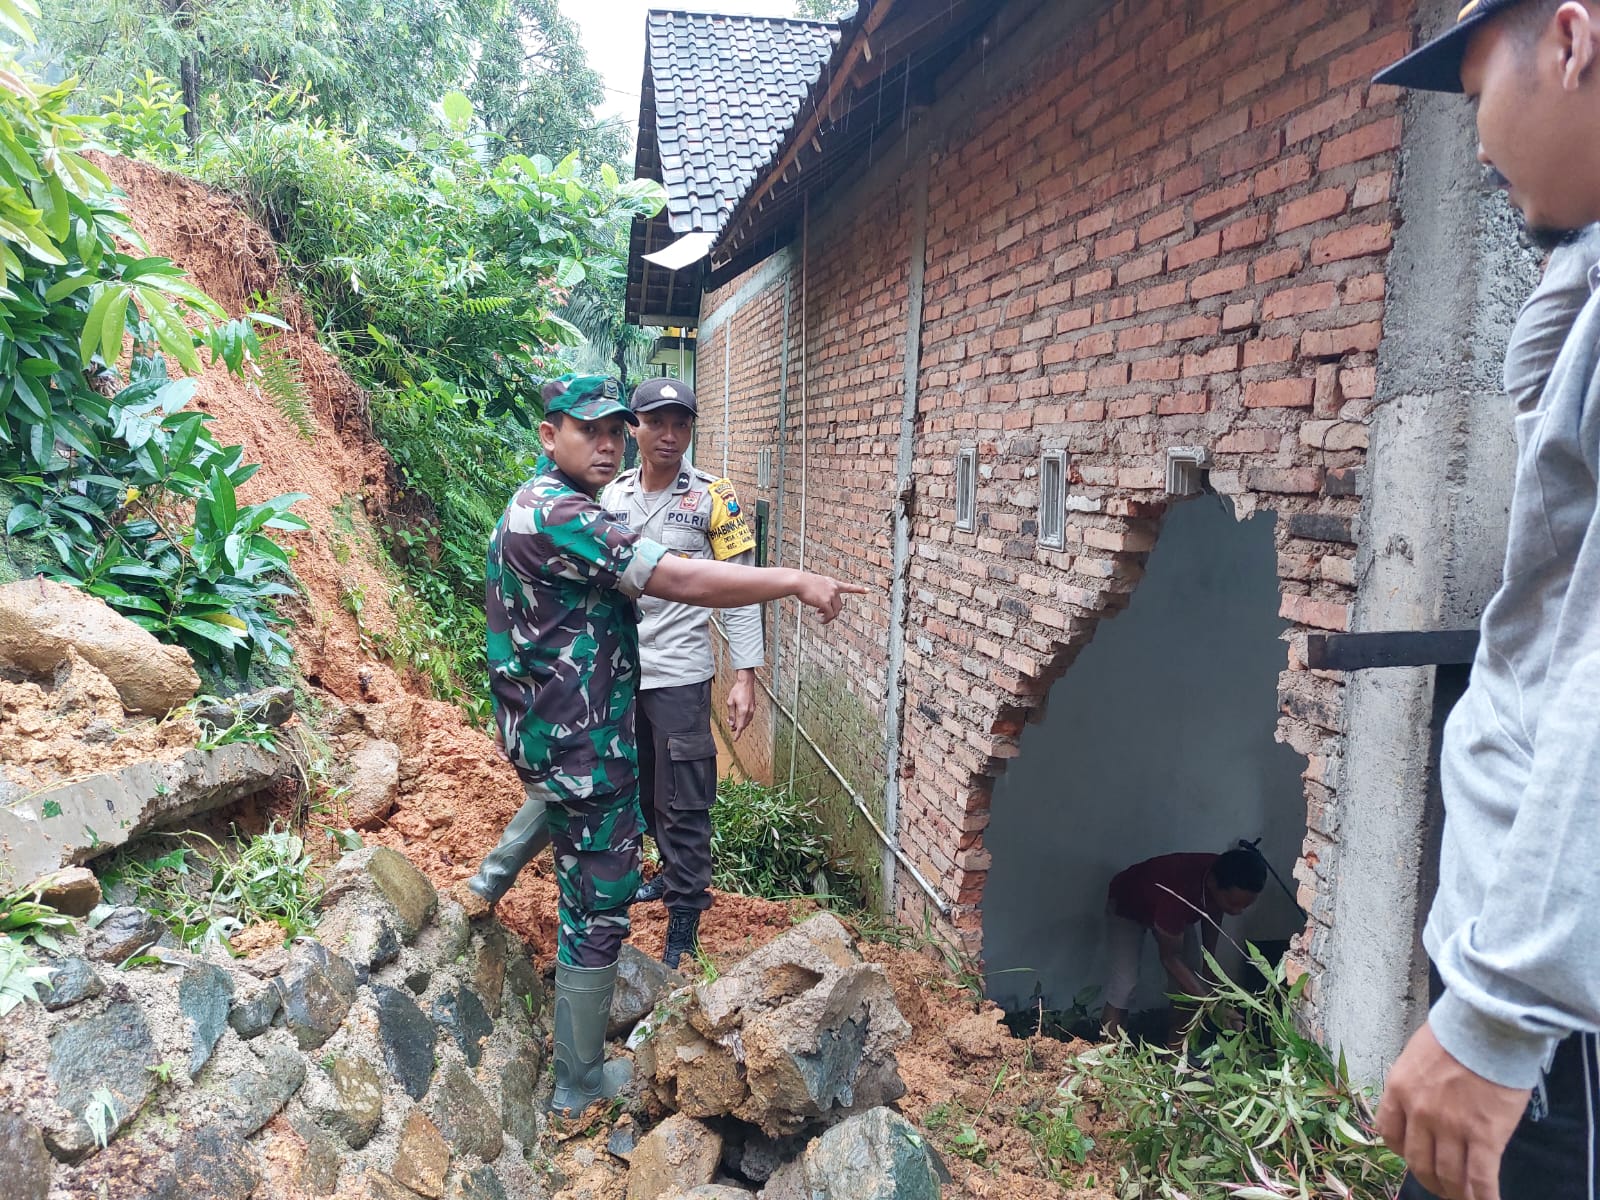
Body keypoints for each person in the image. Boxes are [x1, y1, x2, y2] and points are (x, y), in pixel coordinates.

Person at [453, 374, 866, 1117]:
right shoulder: (573, 512)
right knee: (600, 904)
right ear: (551, 436)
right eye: (595, 430)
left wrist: (747, 671)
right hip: (586, 738)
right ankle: (578, 1081)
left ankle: (539, 892)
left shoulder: (557, 502)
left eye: (617, 429)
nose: (611, 442)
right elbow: (676, 577)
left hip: (573, 726)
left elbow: (714, 572)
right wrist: (797, 579)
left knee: (671, 809)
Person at [1375, 6, 1600, 1197]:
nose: (1473, 144)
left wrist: (1506, 1014)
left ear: (1570, 39)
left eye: (1474, 94)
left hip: (1552, 1037)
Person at [599, 378, 764, 969]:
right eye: (658, 423)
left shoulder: (716, 498)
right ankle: (666, 876)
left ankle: (685, 920)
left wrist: (746, 675)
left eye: (682, 424)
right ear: (635, 428)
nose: (670, 436)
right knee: (638, 790)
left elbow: (742, 589)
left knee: (685, 801)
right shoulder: (610, 498)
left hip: (681, 675)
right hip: (618, 673)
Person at [1099, 848, 1265, 1041]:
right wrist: (1211, 1004)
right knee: (1125, 985)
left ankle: (1175, 1059)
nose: (1238, 912)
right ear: (1212, 884)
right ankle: (1107, 1053)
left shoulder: (1225, 873)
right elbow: (1169, 957)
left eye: (1245, 906)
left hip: (1170, 909)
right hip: (1127, 905)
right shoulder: (1178, 895)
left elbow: (1214, 910)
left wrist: (1208, 963)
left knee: (1190, 981)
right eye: (1233, 903)